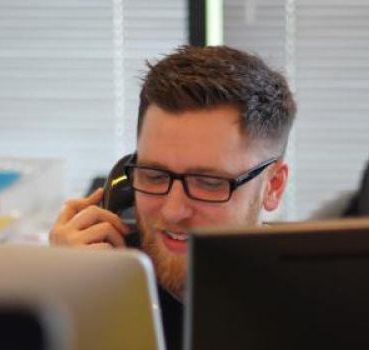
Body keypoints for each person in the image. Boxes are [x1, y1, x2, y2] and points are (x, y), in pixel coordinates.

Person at [49, 45, 296, 350]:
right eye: (154, 175)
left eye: (208, 182)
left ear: (273, 186)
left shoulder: (320, 310)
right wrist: (64, 297)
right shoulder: (100, 283)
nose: (173, 211)